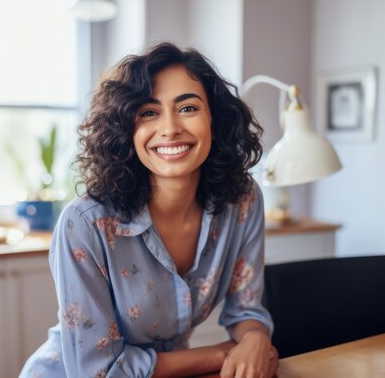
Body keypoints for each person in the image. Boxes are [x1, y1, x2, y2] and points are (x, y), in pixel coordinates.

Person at [20, 42, 278, 377]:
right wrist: (220, 354)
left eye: (188, 108)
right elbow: (98, 370)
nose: (170, 128)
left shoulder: (242, 201)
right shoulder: (85, 224)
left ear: (215, 119)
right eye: (148, 112)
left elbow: (246, 308)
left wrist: (255, 339)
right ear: (127, 129)